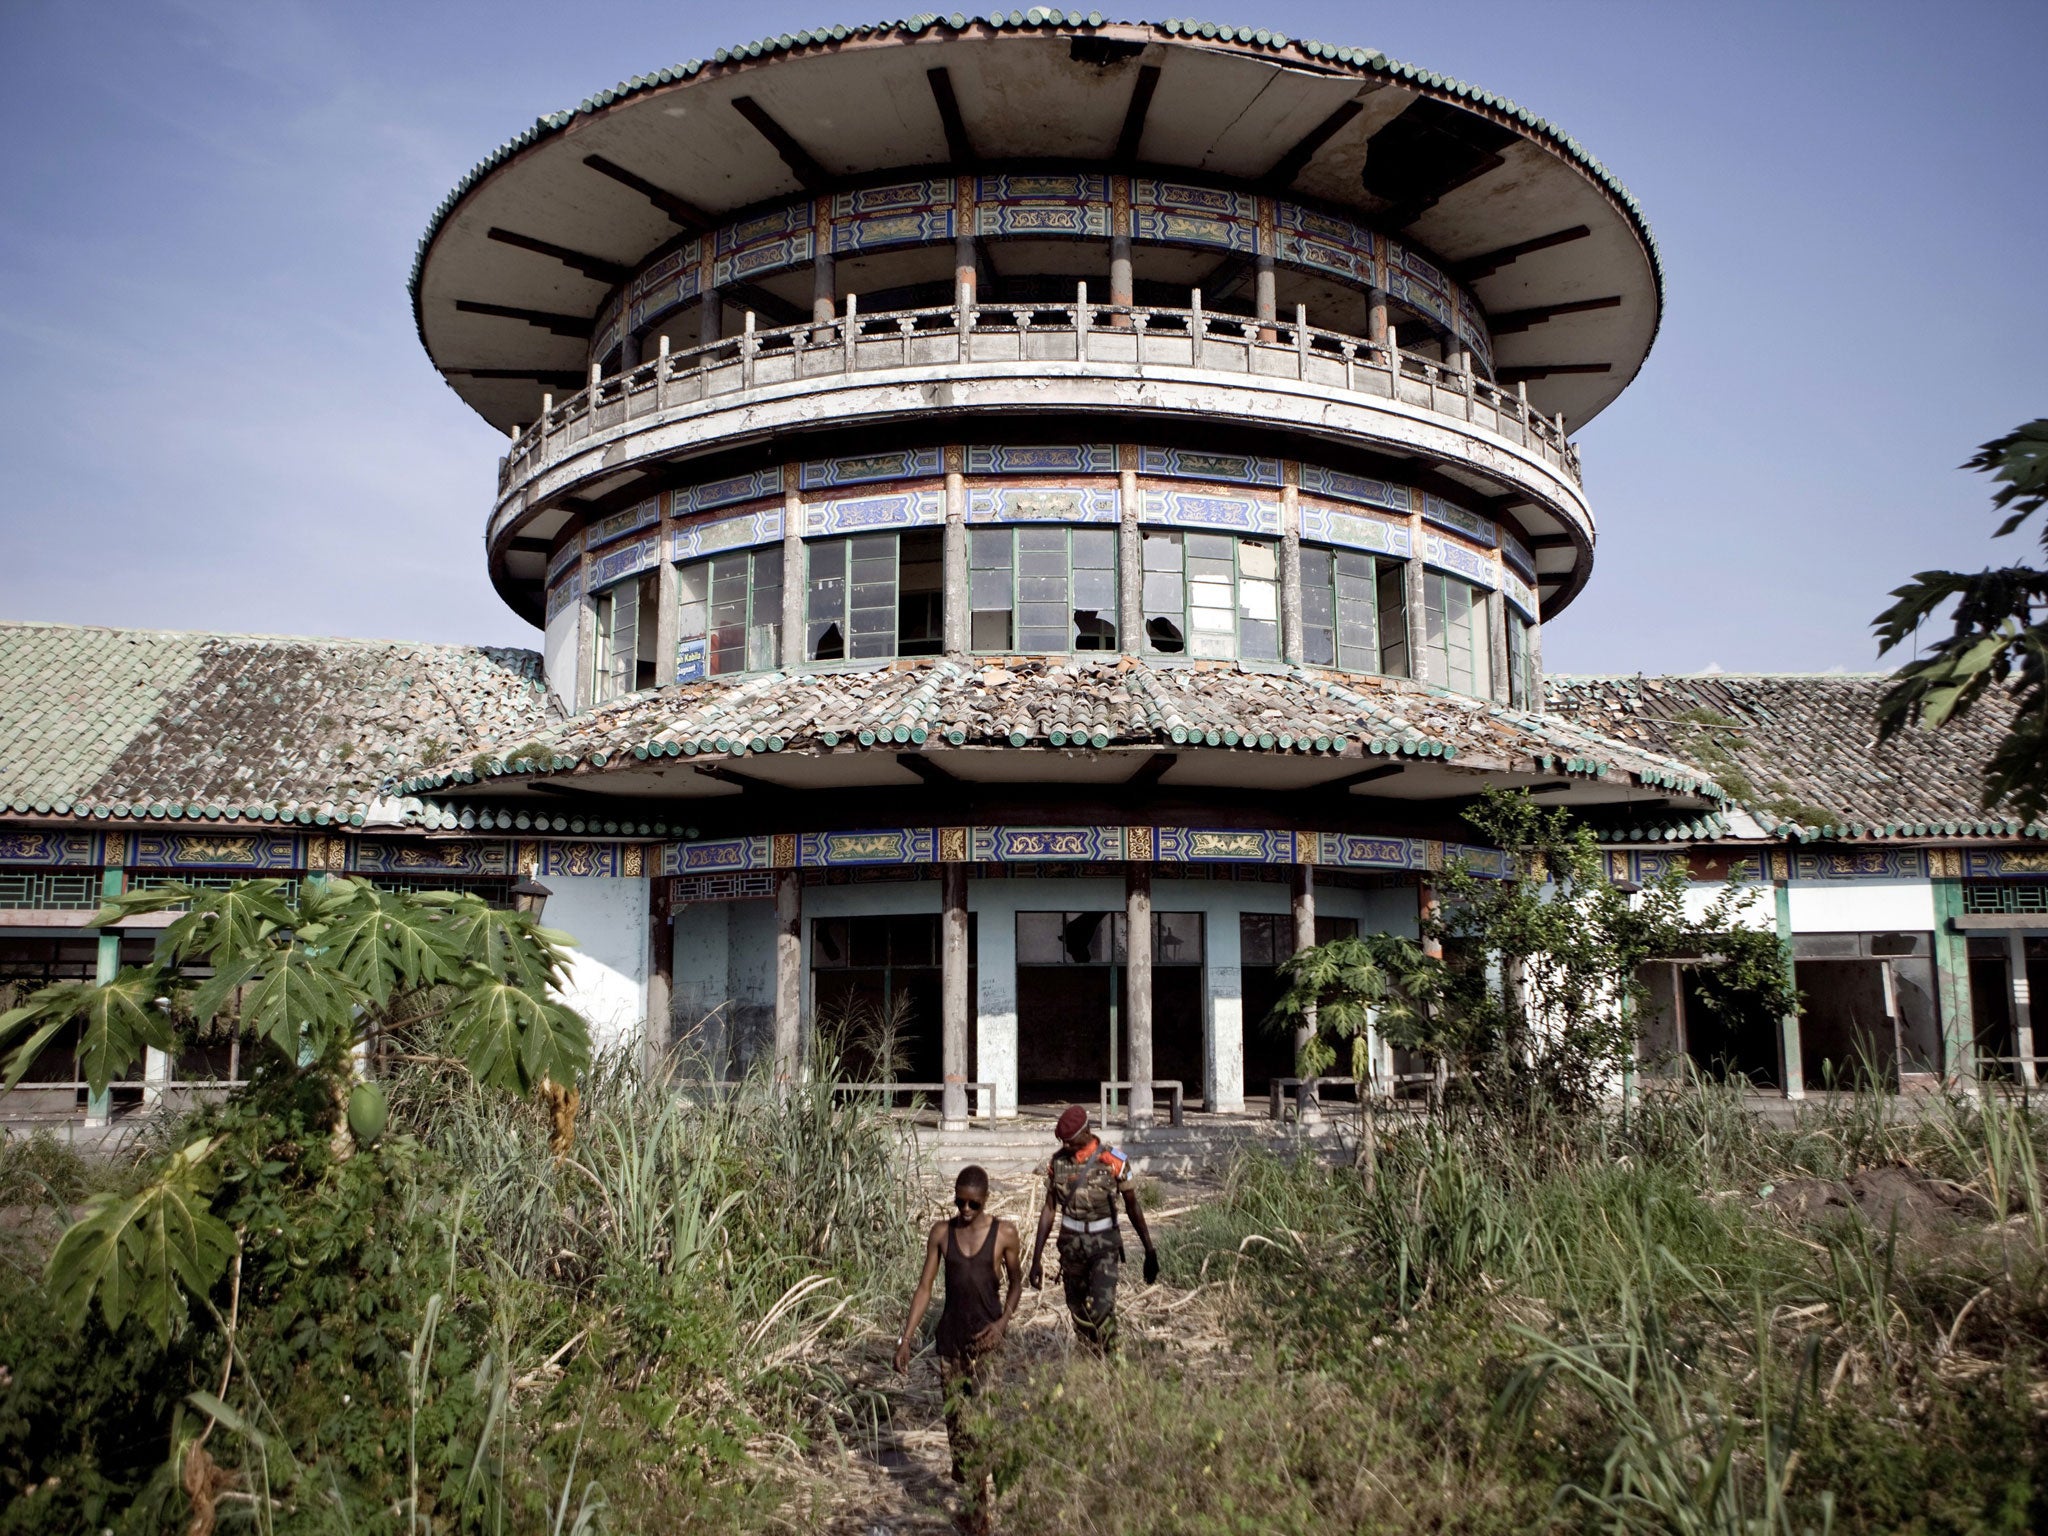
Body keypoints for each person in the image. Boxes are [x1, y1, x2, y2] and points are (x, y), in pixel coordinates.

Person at [895, 1164, 1022, 1491]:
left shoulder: (1004, 1234)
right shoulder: (941, 1233)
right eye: (959, 1202)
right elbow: (925, 1288)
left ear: (986, 1199)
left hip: (987, 1344)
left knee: (983, 1423)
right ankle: (971, 1496)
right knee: (958, 1427)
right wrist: (905, 1339)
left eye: (973, 1204)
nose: (965, 1209)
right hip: (952, 1343)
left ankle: (980, 1505)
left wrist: (1002, 1323)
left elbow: (1016, 1284)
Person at [1027, 1104, 1157, 1354]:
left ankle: (1112, 1357)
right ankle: (1089, 1360)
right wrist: (1036, 1259)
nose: (1065, 1145)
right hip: (1071, 1247)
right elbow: (1049, 1209)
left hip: (1104, 1246)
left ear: (1086, 1132)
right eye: (1062, 1141)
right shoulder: (1057, 1163)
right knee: (1078, 1311)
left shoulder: (1114, 1160)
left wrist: (1149, 1250)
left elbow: (1133, 1207)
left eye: (1070, 1140)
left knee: (1101, 1308)